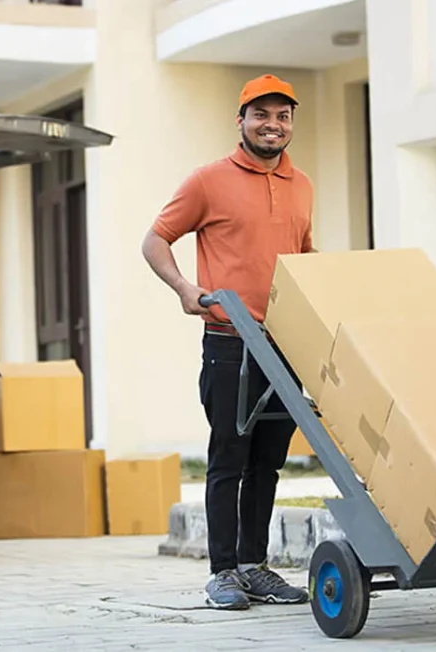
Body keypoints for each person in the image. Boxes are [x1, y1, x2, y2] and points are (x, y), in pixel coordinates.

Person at [142, 74, 315, 610]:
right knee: (229, 458)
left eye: (282, 116)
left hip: (285, 343)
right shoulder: (207, 180)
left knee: (269, 462)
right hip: (230, 340)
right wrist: (184, 288)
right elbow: (155, 240)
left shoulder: (302, 184)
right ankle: (222, 572)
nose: (272, 125)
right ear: (240, 121)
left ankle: (254, 566)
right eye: (261, 115)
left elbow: (305, 256)